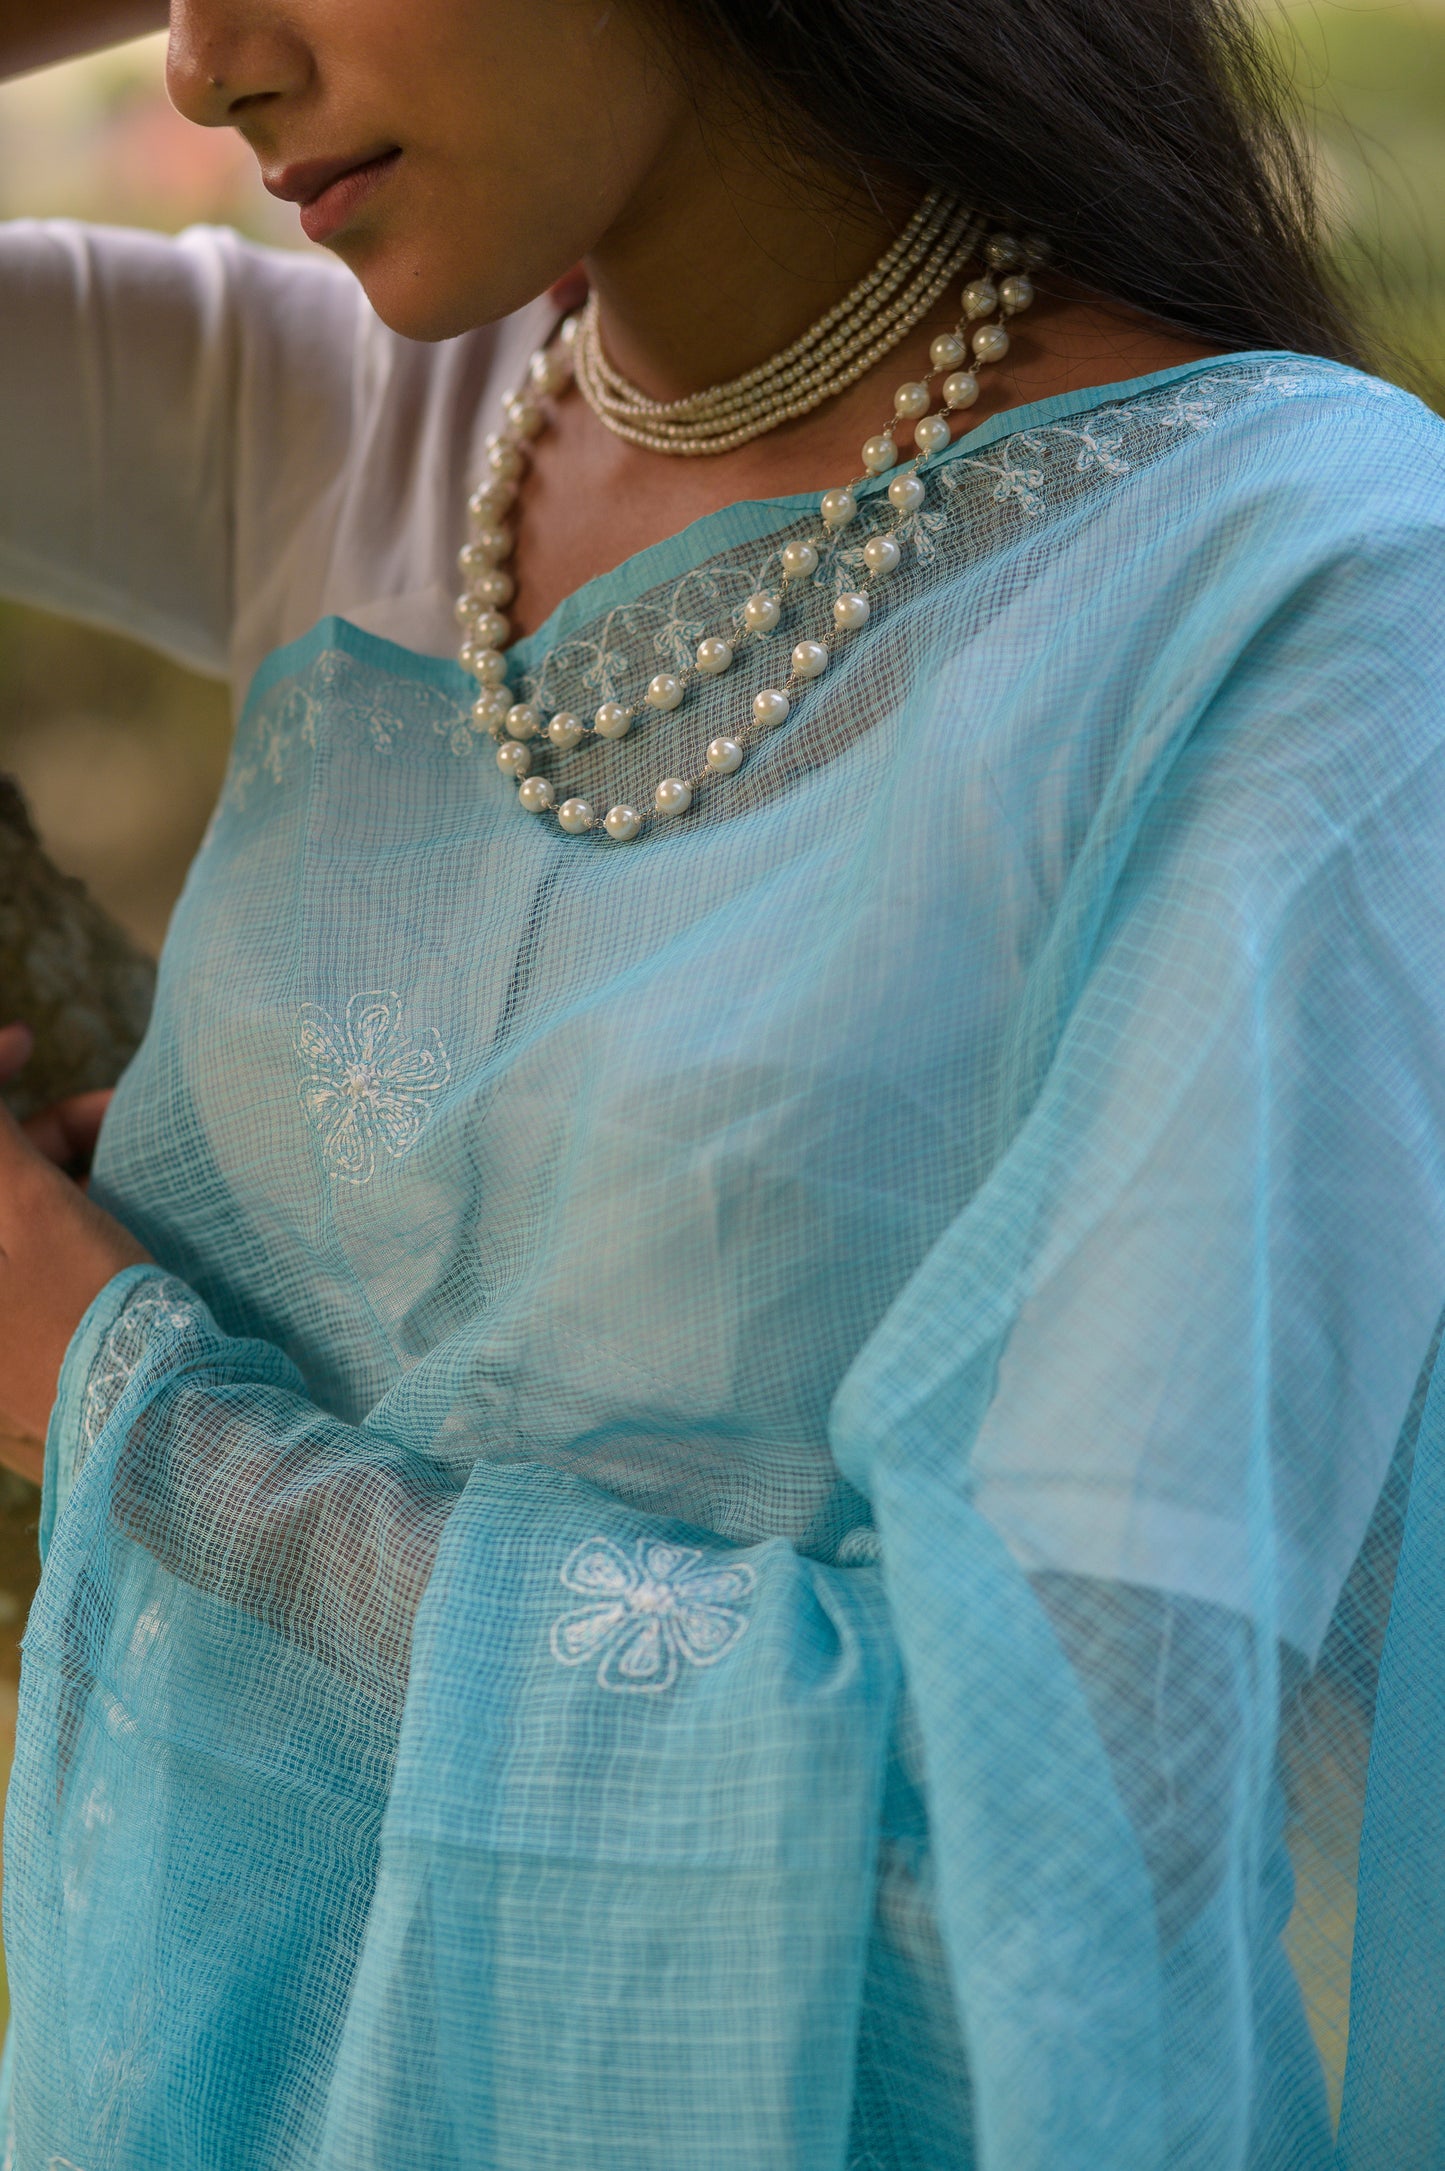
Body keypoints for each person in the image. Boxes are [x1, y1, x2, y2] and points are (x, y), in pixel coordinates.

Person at [0, 0, 1443, 2163]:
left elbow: (1054, 1833)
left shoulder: (1307, 591)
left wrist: (125, 1407)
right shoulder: (368, 422)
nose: (206, 68)